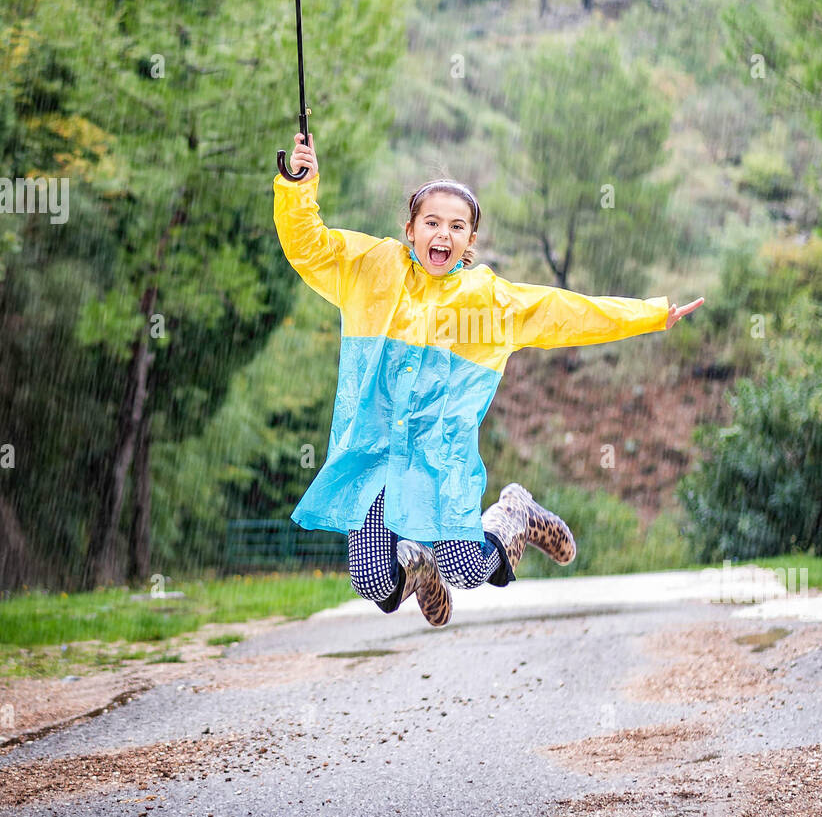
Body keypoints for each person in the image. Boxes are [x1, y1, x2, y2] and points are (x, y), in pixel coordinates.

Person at [274, 131, 703, 627]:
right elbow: (309, 245)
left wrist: (650, 315)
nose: (443, 234)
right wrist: (297, 183)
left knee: (470, 569)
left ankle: (516, 512)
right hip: (377, 455)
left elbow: (566, 312)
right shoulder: (372, 269)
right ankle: (422, 571)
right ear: (409, 229)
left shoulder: (489, 301)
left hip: (439, 459)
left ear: (470, 242)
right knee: (373, 581)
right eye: (431, 222)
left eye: (457, 226)